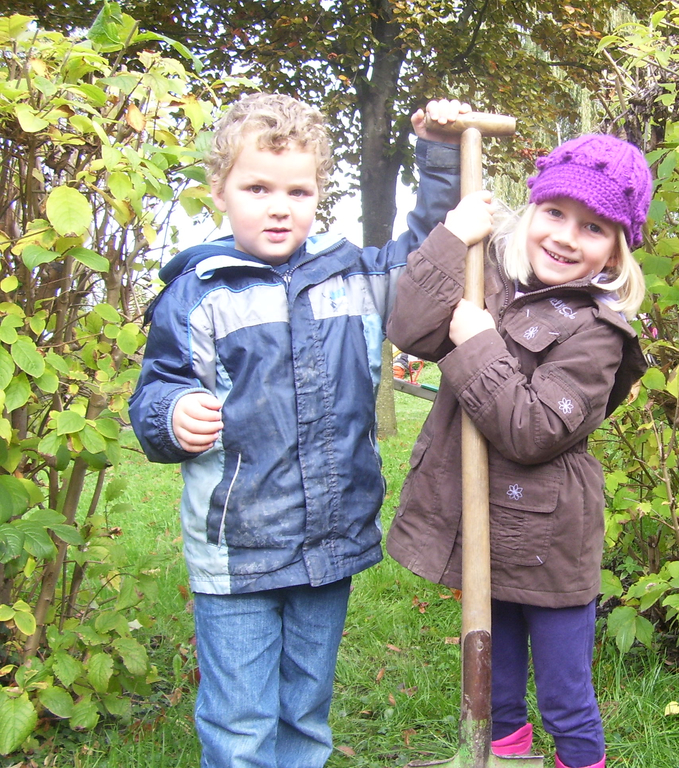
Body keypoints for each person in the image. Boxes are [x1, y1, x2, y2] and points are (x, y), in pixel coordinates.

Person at [128, 92, 467, 768]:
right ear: (219, 191)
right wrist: (171, 413)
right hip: (239, 551)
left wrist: (438, 155)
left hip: (330, 542)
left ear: (319, 194)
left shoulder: (354, 276)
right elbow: (157, 388)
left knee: (305, 715)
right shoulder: (199, 292)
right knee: (240, 724)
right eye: (257, 188)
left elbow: (428, 257)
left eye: (298, 191)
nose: (278, 206)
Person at [386, 133, 652, 768]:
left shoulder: (598, 333)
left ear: (617, 250)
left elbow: (534, 430)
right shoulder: (488, 277)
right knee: (494, 685)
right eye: (555, 212)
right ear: (532, 211)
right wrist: (451, 238)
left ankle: (579, 759)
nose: (566, 236)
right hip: (487, 525)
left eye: (592, 227)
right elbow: (409, 330)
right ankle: (501, 756)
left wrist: (478, 342)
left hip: (550, 542)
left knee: (564, 696)